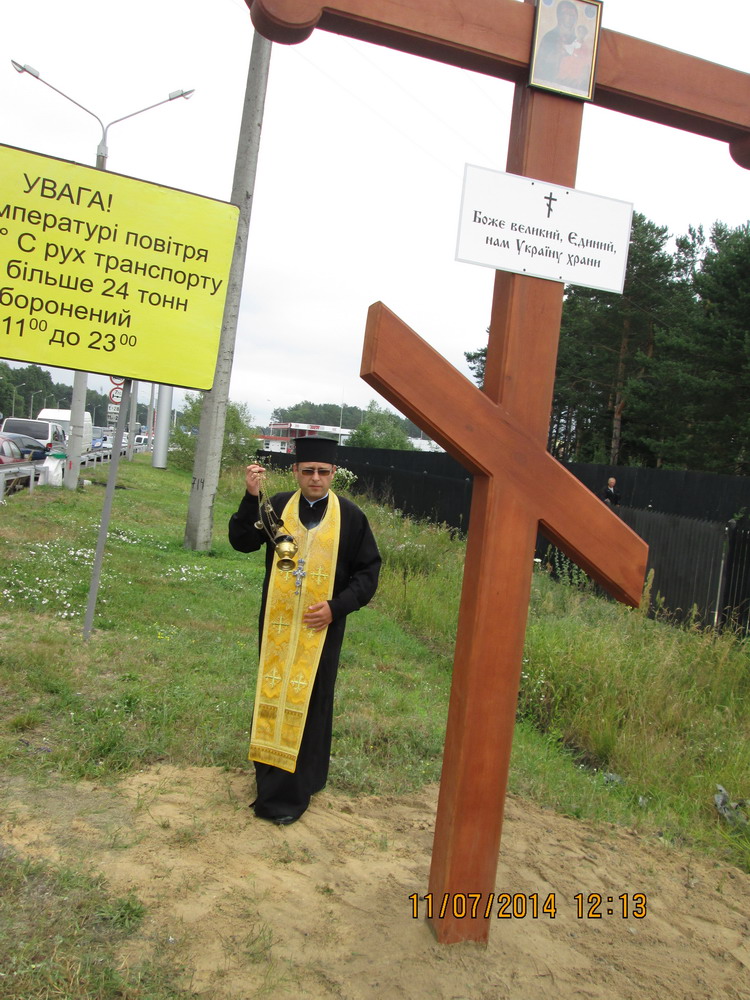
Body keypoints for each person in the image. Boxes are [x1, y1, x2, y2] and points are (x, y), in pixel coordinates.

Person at [228, 437, 381, 826]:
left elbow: (368, 573)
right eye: (308, 470)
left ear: (333, 474)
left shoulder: (351, 517)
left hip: (321, 630)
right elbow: (242, 542)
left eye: (323, 472)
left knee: (312, 702)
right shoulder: (277, 506)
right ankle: (269, 782)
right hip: (278, 626)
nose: (315, 478)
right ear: (296, 471)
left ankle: (301, 786)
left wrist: (336, 607)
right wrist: (250, 496)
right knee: (273, 696)